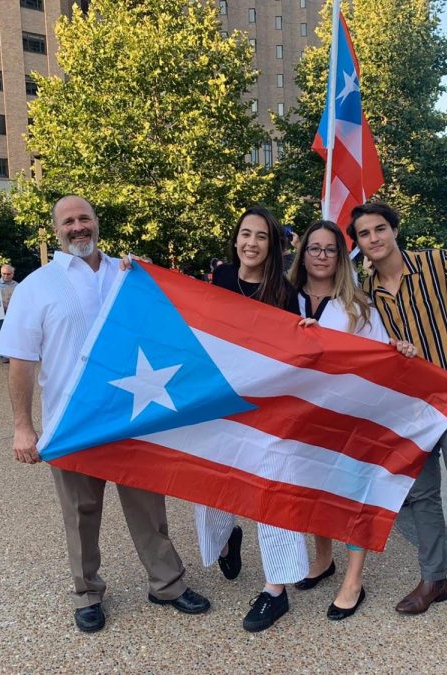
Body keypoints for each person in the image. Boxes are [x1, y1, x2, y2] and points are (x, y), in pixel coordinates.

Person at [0, 195, 209, 633]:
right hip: (72, 421)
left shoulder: (128, 274)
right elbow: (21, 361)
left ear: (96, 222)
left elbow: (168, 324)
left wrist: (150, 278)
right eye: (68, 221)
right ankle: (87, 592)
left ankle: (166, 583)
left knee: (149, 506)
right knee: (80, 512)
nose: (78, 227)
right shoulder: (37, 286)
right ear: (56, 230)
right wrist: (23, 426)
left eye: (84, 218)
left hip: (133, 414)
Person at [348, 202, 447, 647]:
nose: (374, 238)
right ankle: (434, 580)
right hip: (412, 411)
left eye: (380, 228)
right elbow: (350, 336)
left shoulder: (438, 262)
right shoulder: (368, 288)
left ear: (395, 230)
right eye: (364, 233)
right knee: (420, 498)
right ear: (358, 244)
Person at [287, 220, 417, 621]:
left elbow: (379, 356)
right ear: (303, 254)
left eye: (330, 249)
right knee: (313, 489)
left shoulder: (359, 306)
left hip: (349, 416)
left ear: (341, 258)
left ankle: (354, 580)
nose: (322, 256)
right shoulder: (284, 300)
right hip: (301, 415)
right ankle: (323, 560)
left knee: (350, 492)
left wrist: (399, 349)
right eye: (315, 248)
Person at [195, 206, 308, 633]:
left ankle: (275, 589)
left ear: (273, 244)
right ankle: (226, 538)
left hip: (270, 408)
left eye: (261, 236)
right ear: (235, 237)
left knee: (272, 488)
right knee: (209, 480)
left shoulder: (285, 290)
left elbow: (296, 346)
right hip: (221, 401)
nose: (251, 243)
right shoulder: (220, 280)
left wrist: (306, 331)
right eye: (245, 233)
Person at [0, 264, 18, 364]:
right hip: (0, 313)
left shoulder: (17, 285)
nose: (6, 276)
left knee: (14, 333)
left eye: (8, 274)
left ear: (13, 274)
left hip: (14, 313)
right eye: (4, 274)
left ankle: (13, 354)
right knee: (1, 333)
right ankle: (3, 355)